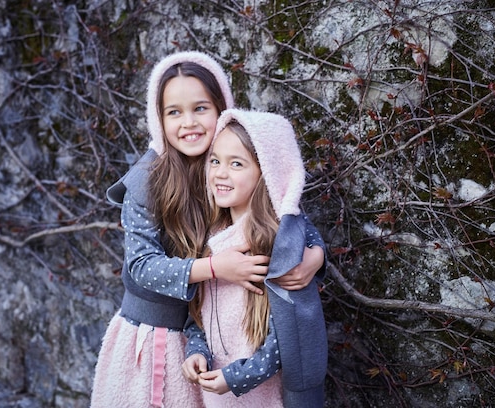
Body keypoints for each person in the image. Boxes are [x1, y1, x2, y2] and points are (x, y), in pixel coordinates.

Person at [90, 52, 325, 408]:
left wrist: (315, 256)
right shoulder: (147, 182)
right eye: (174, 112)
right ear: (158, 119)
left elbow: (285, 209)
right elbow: (141, 267)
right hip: (159, 335)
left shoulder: (232, 166)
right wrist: (216, 268)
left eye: (200, 108)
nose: (189, 122)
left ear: (221, 108)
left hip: (214, 342)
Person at [182, 109, 328, 408]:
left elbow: (288, 337)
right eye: (215, 160)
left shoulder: (278, 247)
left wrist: (237, 378)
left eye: (236, 163)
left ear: (267, 174)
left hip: (262, 397)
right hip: (215, 395)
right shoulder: (209, 237)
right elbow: (197, 316)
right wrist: (196, 351)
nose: (220, 172)